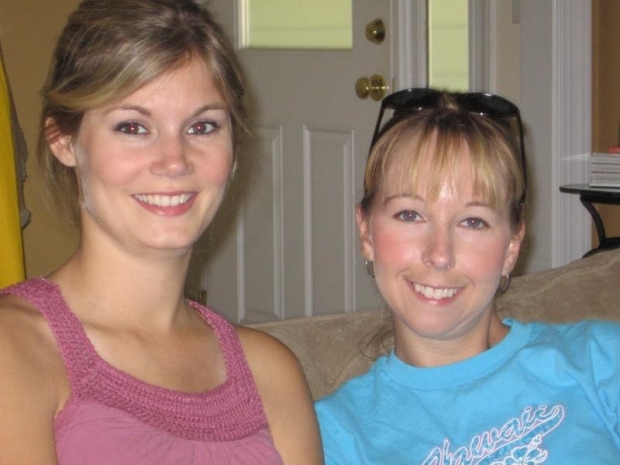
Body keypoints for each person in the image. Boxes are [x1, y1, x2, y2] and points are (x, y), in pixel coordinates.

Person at [0, 1, 323, 463]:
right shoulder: (15, 348)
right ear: (63, 140)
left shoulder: (271, 371)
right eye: (133, 127)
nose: (174, 161)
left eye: (202, 126)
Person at [315, 88, 620, 464]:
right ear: (366, 233)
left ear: (512, 245)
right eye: (410, 215)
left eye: (472, 222)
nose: (439, 254)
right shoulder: (332, 435)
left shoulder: (601, 362)